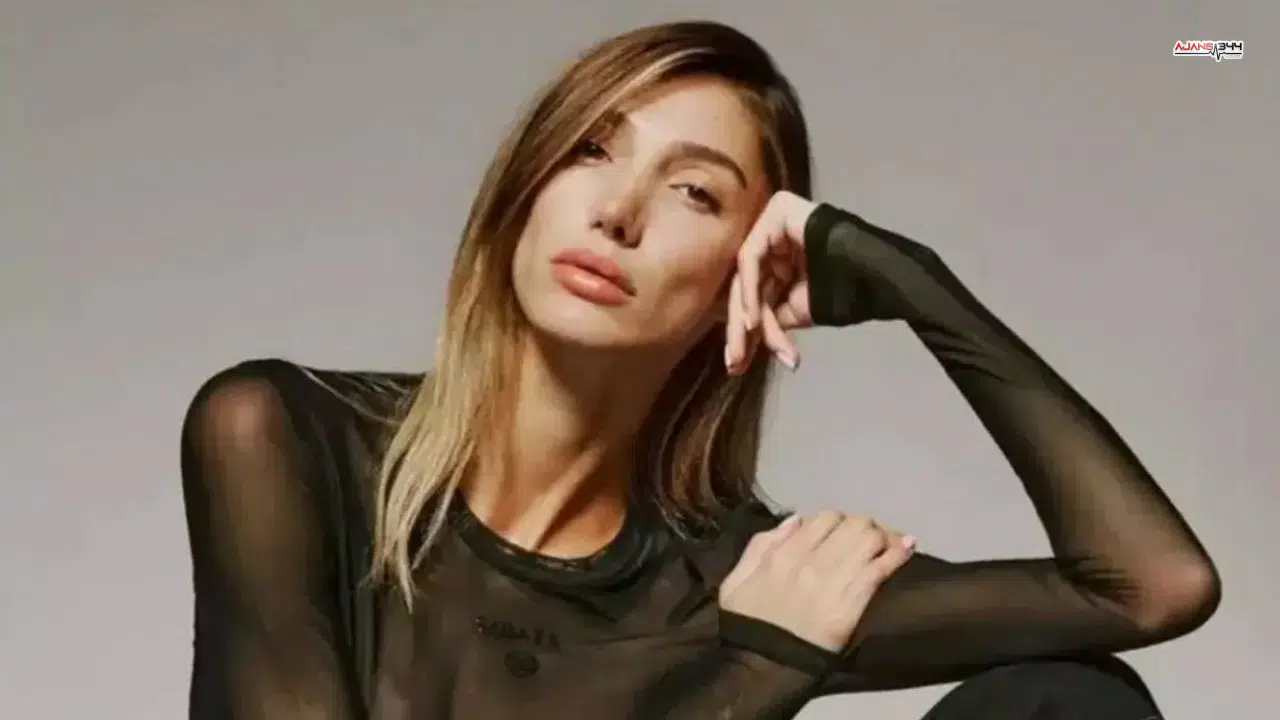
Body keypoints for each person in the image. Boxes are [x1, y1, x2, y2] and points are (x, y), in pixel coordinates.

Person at [179, 20, 1220, 720]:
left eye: (694, 193)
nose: (616, 211)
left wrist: (918, 288)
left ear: (744, 272)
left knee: (1060, 702)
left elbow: (1151, 587)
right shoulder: (284, 434)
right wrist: (756, 672)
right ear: (524, 190)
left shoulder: (738, 577)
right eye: (590, 149)